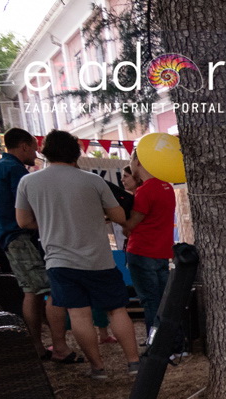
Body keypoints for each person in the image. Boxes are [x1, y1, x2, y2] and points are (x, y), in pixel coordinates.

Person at [15, 130, 140, 379]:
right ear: (76, 152)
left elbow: (23, 221)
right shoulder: (93, 180)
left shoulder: (28, 182)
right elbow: (119, 217)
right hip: (99, 259)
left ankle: (98, 368)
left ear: (45, 151)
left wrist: (52, 223)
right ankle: (134, 363)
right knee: (117, 310)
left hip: (59, 261)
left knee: (78, 313)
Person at [0, 127, 78, 361]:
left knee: (33, 290)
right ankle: (52, 346)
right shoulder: (14, 170)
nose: (37, 152)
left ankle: (40, 345)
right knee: (41, 290)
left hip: (10, 236)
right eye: (34, 147)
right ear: (25, 146)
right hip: (20, 235)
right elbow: (30, 205)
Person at [121, 151, 176, 339]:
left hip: (142, 251)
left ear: (138, 161)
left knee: (150, 301)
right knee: (164, 300)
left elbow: (131, 225)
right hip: (162, 251)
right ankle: (174, 344)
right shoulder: (167, 187)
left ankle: (155, 344)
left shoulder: (145, 191)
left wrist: (119, 220)